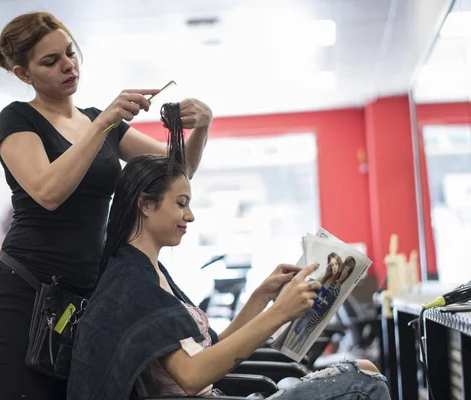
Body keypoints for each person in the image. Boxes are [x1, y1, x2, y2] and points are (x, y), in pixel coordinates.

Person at [67, 103, 390, 399]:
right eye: (181, 204)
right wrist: (279, 313)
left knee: (364, 371)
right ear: (146, 205)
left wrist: (260, 299)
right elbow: (192, 376)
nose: (190, 216)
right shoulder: (133, 284)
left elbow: (211, 351)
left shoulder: (148, 272)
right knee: (364, 379)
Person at [0, 11, 213, 400]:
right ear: (24, 75)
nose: (67, 66)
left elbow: (179, 170)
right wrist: (103, 123)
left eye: (70, 54)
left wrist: (202, 126)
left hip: (85, 294)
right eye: (50, 61)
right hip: (25, 291)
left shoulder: (98, 123)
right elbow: (47, 191)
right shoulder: (19, 119)